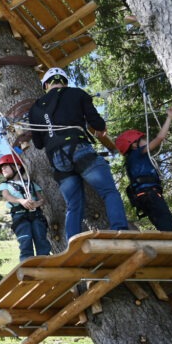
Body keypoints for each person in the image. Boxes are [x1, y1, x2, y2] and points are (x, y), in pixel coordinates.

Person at [29, 67, 129, 240]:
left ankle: (73, 241)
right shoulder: (77, 94)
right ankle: (120, 231)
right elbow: (96, 123)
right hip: (79, 148)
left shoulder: (35, 108)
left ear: (46, 84)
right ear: (65, 82)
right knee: (109, 192)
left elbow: (38, 144)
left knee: (74, 205)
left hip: (57, 159)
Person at [113, 104, 172, 232]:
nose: (146, 139)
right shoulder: (137, 153)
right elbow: (160, 138)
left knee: (163, 223)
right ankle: (170, 247)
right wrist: (170, 118)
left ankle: (168, 246)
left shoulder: (132, 159)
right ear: (133, 145)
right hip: (150, 194)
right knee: (166, 223)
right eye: (142, 139)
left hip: (145, 197)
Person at [0, 153, 51, 261]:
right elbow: (7, 196)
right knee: (25, 240)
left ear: (17, 166)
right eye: (1, 169)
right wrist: (20, 200)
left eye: (5, 167)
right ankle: (27, 265)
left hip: (36, 214)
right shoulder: (5, 185)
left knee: (41, 239)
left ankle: (45, 262)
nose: (3, 170)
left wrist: (36, 204)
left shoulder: (30, 183)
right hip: (19, 216)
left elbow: (42, 199)